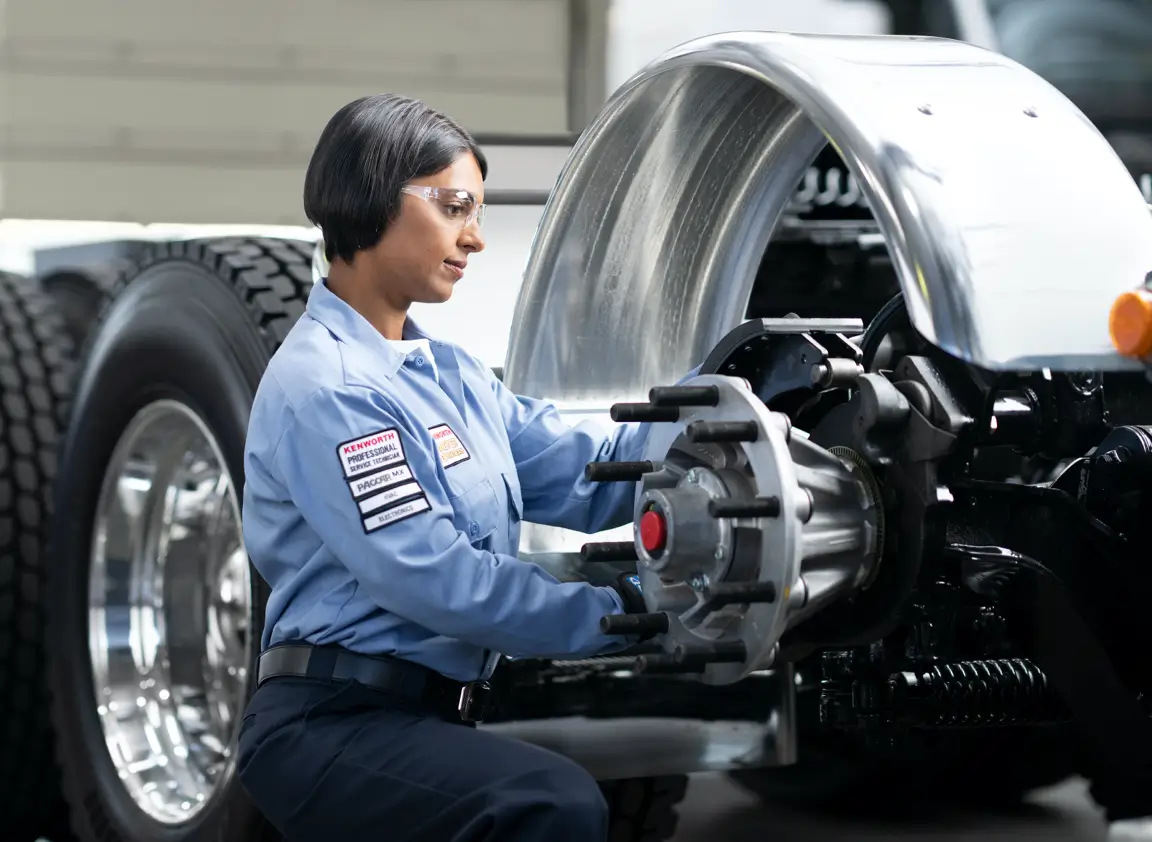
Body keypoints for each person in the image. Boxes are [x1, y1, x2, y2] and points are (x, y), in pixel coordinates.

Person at [236, 92, 677, 842]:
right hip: (329, 724)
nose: (475, 238)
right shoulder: (332, 388)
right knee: (546, 804)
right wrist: (634, 613)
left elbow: (590, 473)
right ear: (372, 195)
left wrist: (723, 430)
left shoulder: (450, 375)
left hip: (423, 716)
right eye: (454, 207)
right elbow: (438, 578)